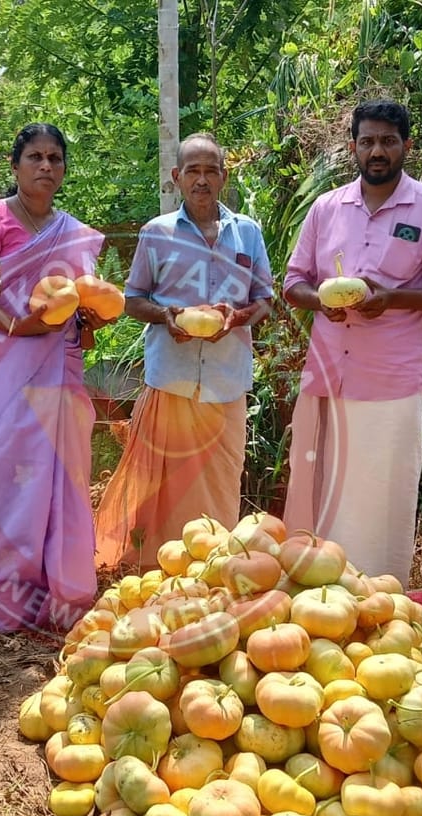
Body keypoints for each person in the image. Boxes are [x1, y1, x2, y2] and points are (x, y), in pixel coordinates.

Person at [281, 100, 422, 587]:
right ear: (353, 147)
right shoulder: (327, 208)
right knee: (320, 491)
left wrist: (393, 299)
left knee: (380, 498)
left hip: (390, 380)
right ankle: (314, 595)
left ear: (407, 145)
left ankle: (376, 600)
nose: (377, 151)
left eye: (388, 141)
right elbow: (294, 282)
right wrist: (319, 301)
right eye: (367, 141)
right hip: (328, 375)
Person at [93, 133, 273, 572]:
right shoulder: (157, 233)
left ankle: (214, 573)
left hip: (226, 383)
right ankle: (158, 577)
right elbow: (132, 299)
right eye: (193, 171)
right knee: (162, 489)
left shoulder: (247, 232)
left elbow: (265, 299)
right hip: (171, 382)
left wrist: (237, 317)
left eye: (211, 170)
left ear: (224, 176)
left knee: (221, 485)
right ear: (177, 177)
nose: (202, 180)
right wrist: (166, 316)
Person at [0, 124, 110, 633]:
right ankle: (4, 595)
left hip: (58, 369)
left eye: (55, 158)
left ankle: (60, 591)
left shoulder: (73, 232)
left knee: (61, 474)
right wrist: (17, 327)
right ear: (15, 165)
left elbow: (80, 320)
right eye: (35, 157)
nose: (46, 166)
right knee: (1, 473)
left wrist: (91, 319)